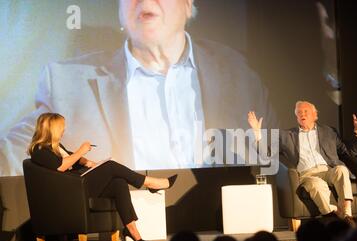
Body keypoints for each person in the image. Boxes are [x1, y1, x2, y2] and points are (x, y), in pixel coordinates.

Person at [0, 0, 277, 176]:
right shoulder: (66, 82)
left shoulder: (241, 76)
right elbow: (13, 155)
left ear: (188, 4)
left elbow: (277, 159)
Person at [28, 113, 177, 241]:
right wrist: (81, 150)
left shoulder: (57, 146)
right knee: (111, 166)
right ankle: (153, 183)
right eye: (61, 127)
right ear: (52, 128)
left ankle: (131, 230)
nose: (64, 130)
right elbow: (60, 166)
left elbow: (74, 160)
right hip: (70, 191)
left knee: (118, 182)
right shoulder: (39, 150)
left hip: (78, 185)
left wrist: (91, 164)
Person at [248, 101, 357, 226]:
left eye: (305, 111)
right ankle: (341, 216)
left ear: (315, 115)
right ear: (297, 117)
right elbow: (266, 154)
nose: (302, 114)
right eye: (299, 112)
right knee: (316, 184)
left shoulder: (329, 131)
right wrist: (257, 135)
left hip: (328, 169)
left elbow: (349, 152)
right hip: (307, 174)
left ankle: (347, 214)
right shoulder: (286, 136)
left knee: (341, 170)